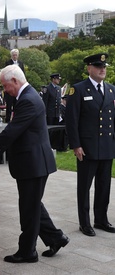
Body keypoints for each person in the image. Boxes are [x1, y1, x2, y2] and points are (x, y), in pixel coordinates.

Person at [0, 64, 69, 263]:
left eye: (5, 85)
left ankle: (27, 252)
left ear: (15, 81)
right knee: (32, 205)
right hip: (32, 162)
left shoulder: (28, 100)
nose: (5, 89)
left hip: (33, 163)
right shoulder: (27, 96)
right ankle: (56, 237)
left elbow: (12, 131)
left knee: (28, 209)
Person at [66, 53, 115, 237]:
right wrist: (76, 145)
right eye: (98, 65)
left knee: (104, 186)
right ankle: (84, 223)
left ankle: (101, 219)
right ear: (89, 68)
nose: (102, 69)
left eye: (104, 66)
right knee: (84, 187)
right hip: (86, 148)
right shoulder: (78, 90)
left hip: (107, 146)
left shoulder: (111, 90)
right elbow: (72, 121)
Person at [4, 49, 24, 123]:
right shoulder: (8, 63)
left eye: (16, 55)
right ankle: (7, 120)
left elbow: (23, 74)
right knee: (9, 104)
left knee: (17, 104)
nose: (15, 56)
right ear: (11, 55)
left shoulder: (21, 63)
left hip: (17, 87)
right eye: (13, 55)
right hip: (10, 86)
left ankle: (16, 120)